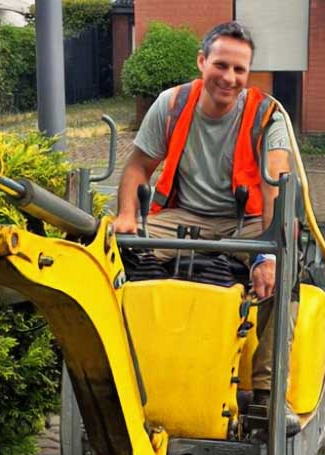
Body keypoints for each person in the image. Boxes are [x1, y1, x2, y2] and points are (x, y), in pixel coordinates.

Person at [114, 20, 299, 432]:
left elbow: (275, 190)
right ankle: (127, 377)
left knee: (283, 269)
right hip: (184, 217)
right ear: (202, 62)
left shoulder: (268, 116)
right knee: (113, 251)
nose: (229, 78)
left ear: (248, 74)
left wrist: (266, 254)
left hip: (247, 221)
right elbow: (137, 169)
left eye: (239, 70)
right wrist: (127, 215)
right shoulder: (172, 104)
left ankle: (268, 398)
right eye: (221, 65)